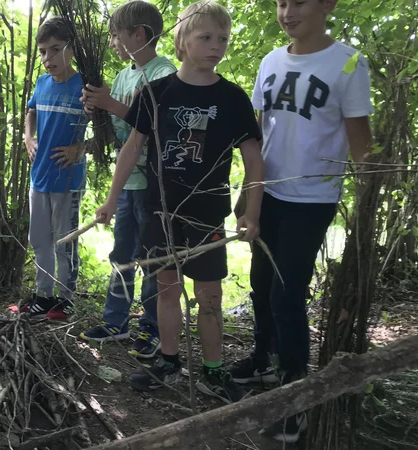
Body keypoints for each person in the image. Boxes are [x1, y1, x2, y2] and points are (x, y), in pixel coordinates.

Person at [95, 0, 264, 404]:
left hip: (206, 214)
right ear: (182, 42)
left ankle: (212, 371)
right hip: (161, 211)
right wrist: (110, 199)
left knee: (210, 298)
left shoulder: (233, 98)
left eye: (222, 38)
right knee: (166, 291)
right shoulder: (157, 92)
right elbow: (132, 149)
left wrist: (251, 212)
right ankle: (168, 362)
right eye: (206, 37)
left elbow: (255, 159)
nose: (216, 45)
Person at [227, 0, 374, 442]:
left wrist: (370, 191)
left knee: (287, 295)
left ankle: (296, 398)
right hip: (268, 193)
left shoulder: (348, 62)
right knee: (260, 286)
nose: (287, 12)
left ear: (327, 4)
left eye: (299, 2)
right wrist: (246, 193)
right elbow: (258, 137)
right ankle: (262, 361)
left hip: (311, 198)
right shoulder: (271, 60)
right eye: (280, 3)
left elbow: (360, 142)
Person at [78, 0, 177, 359]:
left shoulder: (164, 72)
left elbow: (153, 126)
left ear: (139, 34)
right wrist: (96, 109)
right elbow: (120, 132)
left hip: (152, 184)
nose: (112, 43)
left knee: (151, 257)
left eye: (116, 35)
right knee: (122, 252)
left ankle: (151, 327)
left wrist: (112, 105)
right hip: (127, 184)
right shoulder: (124, 76)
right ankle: (115, 321)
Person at [21, 17, 89, 321]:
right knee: (40, 240)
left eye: (56, 49)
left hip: (67, 180)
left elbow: (106, 132)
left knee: (64, 241)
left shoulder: (85, 87)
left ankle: (65, 299)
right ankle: (43, 296)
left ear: (71, 49)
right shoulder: (41, 83)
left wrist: (80, 149)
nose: (48, 59)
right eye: (43, 52)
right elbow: (30, 111)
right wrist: (28, 136)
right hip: (40, 177)